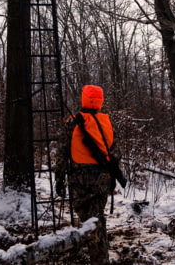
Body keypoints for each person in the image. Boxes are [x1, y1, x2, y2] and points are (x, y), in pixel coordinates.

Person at [55, 84, 125, 265]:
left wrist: (59, 178)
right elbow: (115, 153)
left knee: (90, 219)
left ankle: (99, 257)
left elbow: (62, 152)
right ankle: (99, 255)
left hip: (79, 178)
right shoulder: (106, 122)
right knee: (96, 216)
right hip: (102, 178)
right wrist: (114, 177)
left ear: (83, 99)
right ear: (100, 101)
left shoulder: (72, 122)